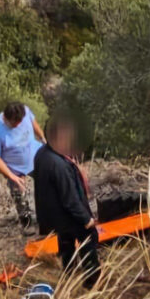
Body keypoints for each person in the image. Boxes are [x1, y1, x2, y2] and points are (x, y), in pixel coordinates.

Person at [33, 117, 100, 289]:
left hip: (54, 216)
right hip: (66, 215)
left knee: (66, 242)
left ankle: (69, 271)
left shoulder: (42, 153)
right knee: (89, 237)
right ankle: (92, 280)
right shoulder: (59, 165)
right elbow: (69, 198)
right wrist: (86, 219)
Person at [0, 102, 45, 229]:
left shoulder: (26, 112)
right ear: (6, 118)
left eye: (20, 121)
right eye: (14, 123)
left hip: (35, 156)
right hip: (14, 168)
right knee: (20, 197)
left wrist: (43, 139)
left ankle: (47, 217)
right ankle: (27, 223)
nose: (18, 125)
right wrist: (12, 177)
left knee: (47, 186)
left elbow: (33, 123)